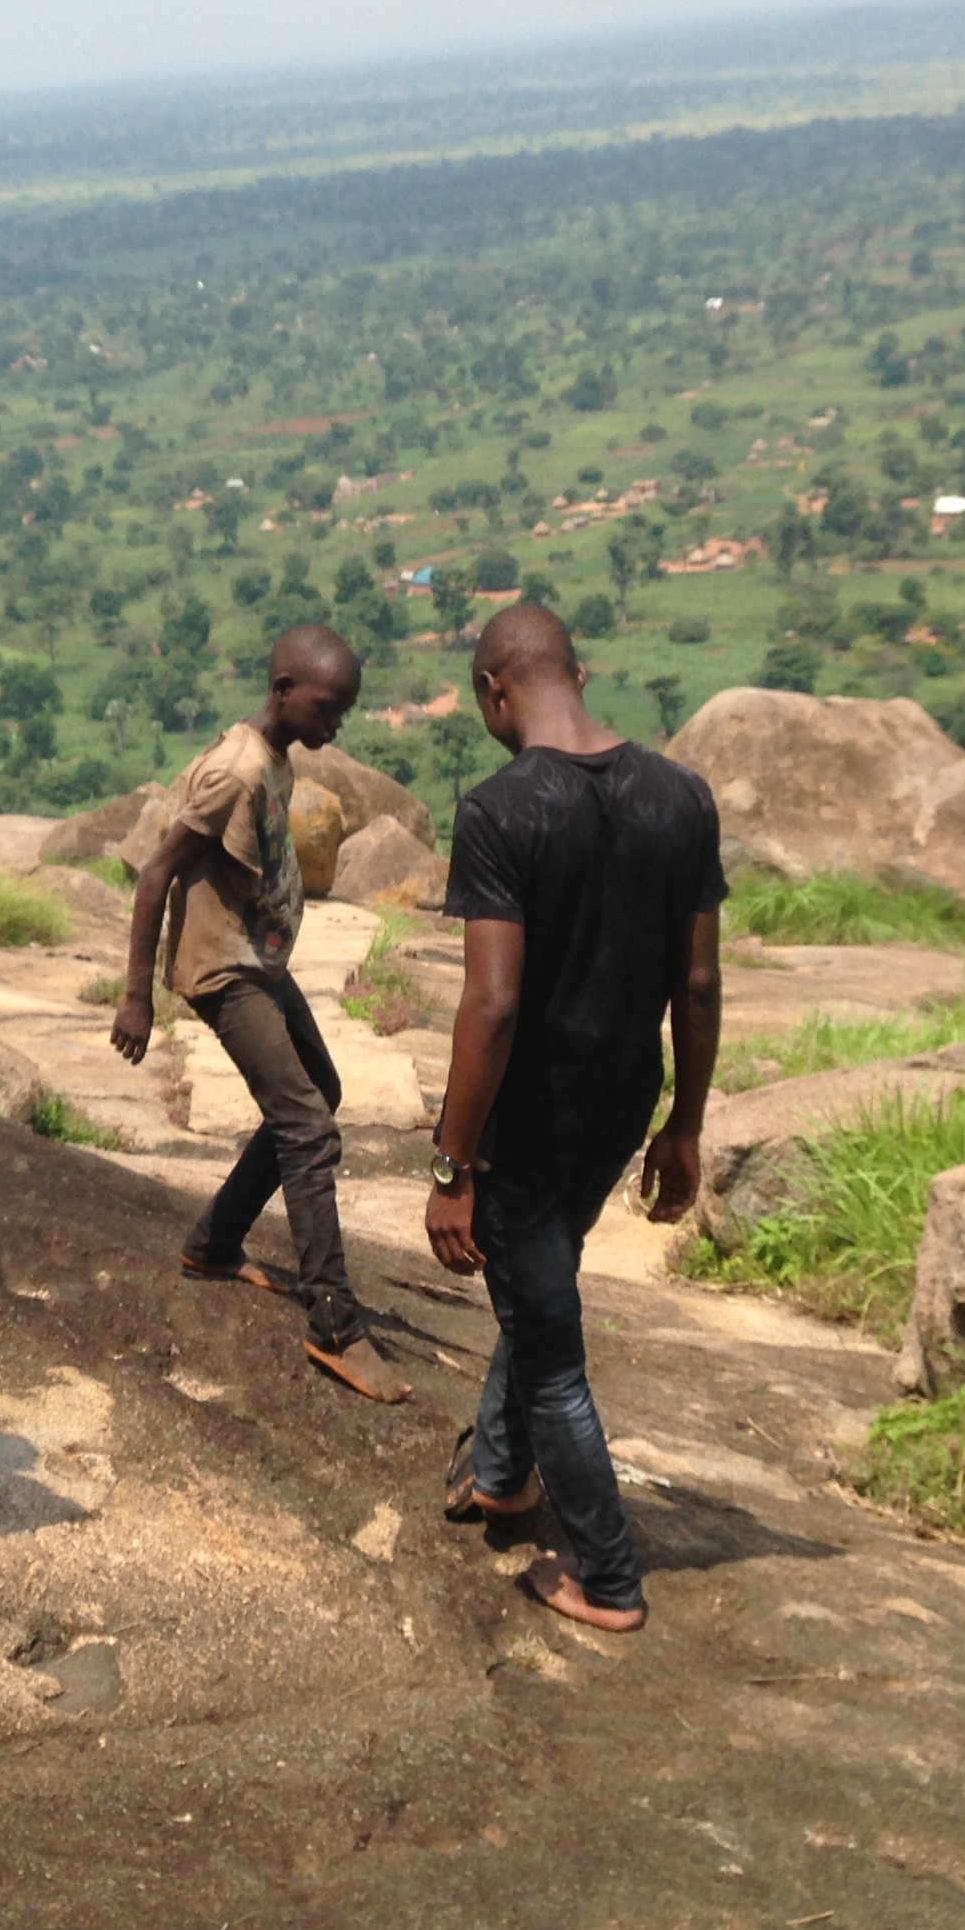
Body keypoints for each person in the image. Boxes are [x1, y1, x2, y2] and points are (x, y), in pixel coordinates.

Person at [421, 601, 724, 1633]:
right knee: (540, 1287)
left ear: (493, 691)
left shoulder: (501, 811)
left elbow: (494, 1006)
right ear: (579, 674)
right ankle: (503, 1475)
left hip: (528, 1127)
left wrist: (453, 1165)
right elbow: (698, 980)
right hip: (621, 1104)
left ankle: (607, 1576)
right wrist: (684, 1123)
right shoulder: (682, 796)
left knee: (552, 1354)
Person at [110, 624, 411, 1404]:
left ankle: (215, 1243)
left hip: (259, 960)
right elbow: (157, 873)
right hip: (224, 972)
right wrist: (137, 995)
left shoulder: (275, 756)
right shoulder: (236, 770)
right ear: (283, 691)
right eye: (327, 707)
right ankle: (333, 1322)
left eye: (344, 710)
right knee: (308, 1127)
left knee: (318, 1094)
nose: (336, 723)